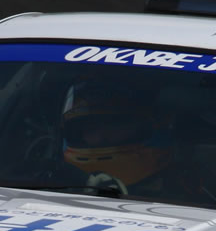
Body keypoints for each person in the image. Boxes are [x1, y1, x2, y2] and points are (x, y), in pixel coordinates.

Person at [60, 78, 198, 200]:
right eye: (89, 128)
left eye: (113, 124)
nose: (99, 137)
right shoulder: (55, 182)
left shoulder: (190, 191)